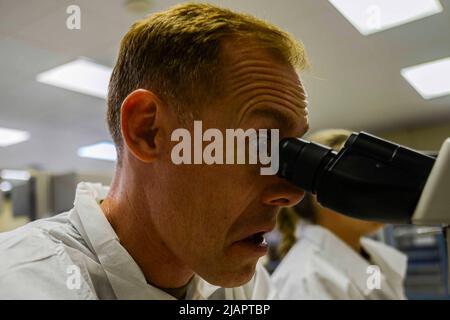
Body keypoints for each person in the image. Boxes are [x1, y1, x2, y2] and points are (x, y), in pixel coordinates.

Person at [0, 3, 309, 299]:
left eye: (288, 153)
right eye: (260, 145)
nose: (292, 194)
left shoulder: (251, 286)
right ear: (147, 131)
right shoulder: (19, 283)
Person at [272, 129, 408, 300]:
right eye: (360, 183)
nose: (379, 195)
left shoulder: (369, 256)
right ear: (319, 194)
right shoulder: (307, 281)